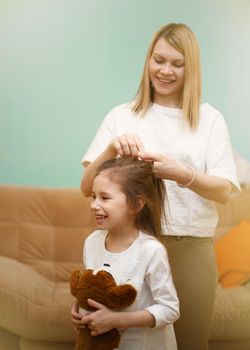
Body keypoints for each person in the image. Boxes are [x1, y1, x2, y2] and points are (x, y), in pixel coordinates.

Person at [76, 23, 240, 350]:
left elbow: (223, 191)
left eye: (177, 64)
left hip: (190, 246)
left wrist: (181, 174)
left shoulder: (210, 120)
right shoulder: (121, 116)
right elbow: (86, 187)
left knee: (191, 342)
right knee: (126, 341)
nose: (165, 71)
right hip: (130, 246)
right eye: (159, 60)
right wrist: (110, 149)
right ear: (148, 60)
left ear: (190, 68)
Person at [72, 157, 180, 350]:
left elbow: (170, 309)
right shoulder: (92, 242)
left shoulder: (150, 251)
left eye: (105, 197)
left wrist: (116, 320)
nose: (94, 205)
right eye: (93, 196)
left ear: (136, 205)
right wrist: (80, 309)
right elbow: (94, 287)